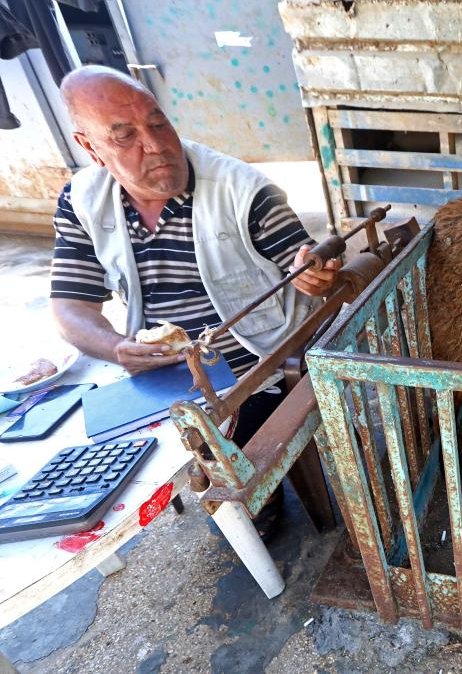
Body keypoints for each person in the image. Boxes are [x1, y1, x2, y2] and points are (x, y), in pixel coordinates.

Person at [47, 65, 336, 536]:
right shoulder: (82, 201)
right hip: (161, 368)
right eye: (125, 136)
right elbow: (69, 306)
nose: (156, 144)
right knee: (90, 453)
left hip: (254, 365)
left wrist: (314, 274)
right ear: (90, 148)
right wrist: (115, 347)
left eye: (158, 123)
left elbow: (303, 264)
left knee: (232, 475)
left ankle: (255, 491)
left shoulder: (244, 190)